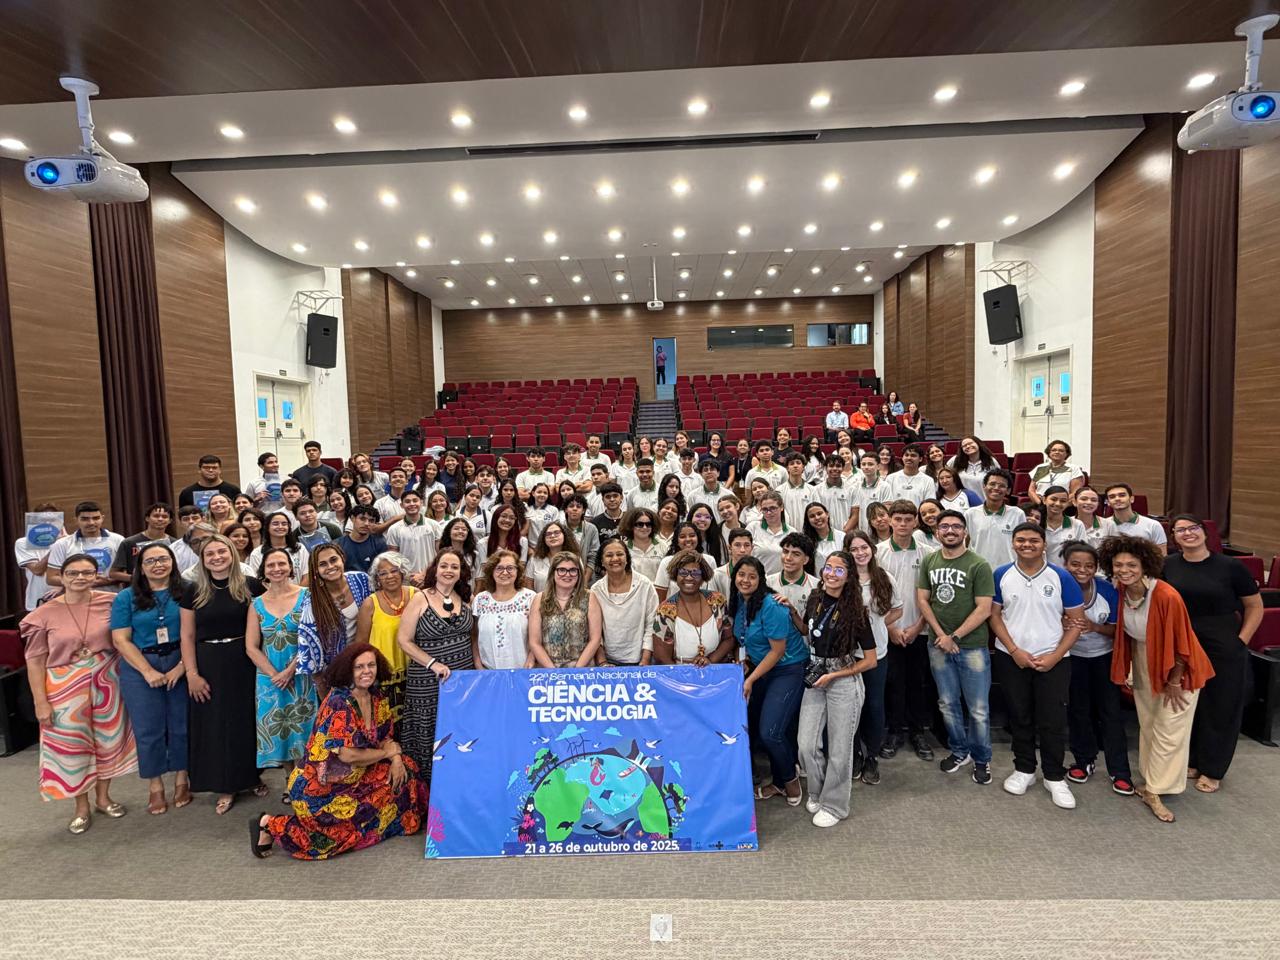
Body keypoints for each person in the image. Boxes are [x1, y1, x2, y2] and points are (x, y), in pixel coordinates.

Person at [250, 642, 426, 860]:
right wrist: (387, 754)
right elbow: (347, 755)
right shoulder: (338, 702)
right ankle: (269, 824)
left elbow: (387, 738)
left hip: (358, 775)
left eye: (371, 665)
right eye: (359, 667)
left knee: (407, 768)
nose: (367, 671)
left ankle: (384, 822)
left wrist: (397, 758)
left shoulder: (377, 697)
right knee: (328, 840)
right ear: (348, 671)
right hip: (321, 786)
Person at [1100, 535, 1215, 822]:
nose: (1125, 570)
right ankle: (1151, 777)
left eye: (1131, 565)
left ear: (1145, 565)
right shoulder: (1123, 592)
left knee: (1169, 728)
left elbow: (1182, 644)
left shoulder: (1165, 595)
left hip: (1178, 667)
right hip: (1144, 660)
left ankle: (1155, 789)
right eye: (1118, 565)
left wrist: (1175, 681)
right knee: (1149, 724)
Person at [22, 552, 138, 833]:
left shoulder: (111, 602)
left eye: (87, 573)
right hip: (63, 685)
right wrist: (40, 701)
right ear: (61, 577)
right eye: (73, 573)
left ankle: (103, 797)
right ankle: (81, 806)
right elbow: (35, 660)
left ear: (96, 575)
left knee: (108, 741)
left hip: (108, 679)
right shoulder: (42, 614)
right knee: (72, 746)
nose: (80, 578)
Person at [988, 523, 1085, 809]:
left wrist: (1055, 656)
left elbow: (1076, 623)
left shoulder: (1062, 577)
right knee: (1019, 715)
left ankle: (1055, 776)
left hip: (1053, 659)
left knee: (1052, 719)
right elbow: (994, 617)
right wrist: (1015, 650)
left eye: (1033, 540)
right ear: (1013, 543)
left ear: (1044, 545)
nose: (1026, 545)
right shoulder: (1001, 574)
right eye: (1020, 540)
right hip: (1011, 656)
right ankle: (1025, 769)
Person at [1164, 515, 1263, 793]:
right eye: (1180, 530)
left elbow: (1254, 606)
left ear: (1205, 532)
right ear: (1174, 537)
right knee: (1189, 702)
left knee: (1221, 705)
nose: (1187, 534)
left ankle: (1213, 768)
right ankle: (1193, 760)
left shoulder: (1231, 567)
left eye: (1193, 528)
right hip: (1183, 641)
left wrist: (1241, 641)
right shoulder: (1168, 565)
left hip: (1223, 642)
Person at [179, 534, 267, 815]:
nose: (216, 557)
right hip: (208, 662)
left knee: (246, 720)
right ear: (202, 561)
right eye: (210, 554)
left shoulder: (250, 586)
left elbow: (268, 618)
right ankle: (225, 785)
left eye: (222, 552)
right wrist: (191, 673)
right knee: (216, 723)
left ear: (232, 554)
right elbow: (187, 635)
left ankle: (250, 777)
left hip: (244, 658)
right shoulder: (192, 590)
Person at [796, 550, 878, 825]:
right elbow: (810, 633)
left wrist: (836, 675)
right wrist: (788, 609)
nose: (831, 574)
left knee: (840, 749)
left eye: (838, 570)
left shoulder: (856, 610)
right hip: (815, 674)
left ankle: (835, 805)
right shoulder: (816, 598)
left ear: (849, 576)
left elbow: (870, 660)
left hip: (843, 678)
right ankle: (817, 792)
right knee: (805, 744)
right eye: (827, 568)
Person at [916, 510, 996, 785]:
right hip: (938, 644)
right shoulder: (929, 560)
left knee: (978, 708)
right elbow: (924, 601)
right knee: (947, 703)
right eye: (945, 526)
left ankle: (982, 758)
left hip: (971, 646)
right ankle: (960, 751)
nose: (950, 531)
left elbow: (984, 609)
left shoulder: (979, 564)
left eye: (956, 526)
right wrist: (941, 635)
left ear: (965, 532)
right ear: (937, 532)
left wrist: (955, 637)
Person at [110, 542, 190, 815]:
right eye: (151, 561)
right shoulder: (126, 597)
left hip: (181, 660)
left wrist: (183, 667)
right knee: (148, 729)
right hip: (140, 665)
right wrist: (147, 670)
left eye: (163, 559)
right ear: (141, 568)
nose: (158, 564)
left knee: (182, 724)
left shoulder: (187, 591)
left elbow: (196, 633)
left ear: (172, 561)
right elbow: (120, 639)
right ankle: (155, 786)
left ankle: (182, 779)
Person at [730, 556, 807, 806]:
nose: (746, 580)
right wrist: (743, 661)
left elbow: (777, 651)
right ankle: (777, 781)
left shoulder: (770, 605)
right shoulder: (741, 603)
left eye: (752, 576)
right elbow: (743, 638)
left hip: (788, 668)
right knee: (758, 728)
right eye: (741, 575)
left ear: (761, 580)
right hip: (763, 669)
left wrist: (750, 679)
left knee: (770, 731)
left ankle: (790, 781)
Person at [1060, 542, 1133, 795]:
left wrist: (1093, 627)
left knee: (1110, 713)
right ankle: (1083, 760)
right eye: (1075, 564)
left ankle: (1120, 771)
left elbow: (1116, 629)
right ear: (1065, 565)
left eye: (1089, 565)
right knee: (1079, 711)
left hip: (1104, 658)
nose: (1083, 570)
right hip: (1072, 658)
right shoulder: (1056, 585)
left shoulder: (1107, 590)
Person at [397, 549, 476, 783]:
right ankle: (427, 792)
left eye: (454, 567)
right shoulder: (421, 598)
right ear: (435, 569)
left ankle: (455, 786)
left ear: (461, 572)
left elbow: (472, 638)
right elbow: (404, 640)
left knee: (459, 733)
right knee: (429, 733)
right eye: (444, 566)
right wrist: (433, 664)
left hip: (462, 680)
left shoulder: (465, 598)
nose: (449, 571)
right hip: (428, 681)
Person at [244, 547, 316, 783]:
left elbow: (312, 636)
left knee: (305, 728)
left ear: (291, 568)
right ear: (264, 570)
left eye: (281, 564)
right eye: (271, 565)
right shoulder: (256, 604)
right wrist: (275, 674)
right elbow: (251, 646)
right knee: (279, 732)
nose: (276, 569)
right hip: (269, 678)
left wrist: (289, 671)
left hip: (302, 673)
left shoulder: (307, 596)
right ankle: (290, 779)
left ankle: (307, 781)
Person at [876, 501, 938, 762]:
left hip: (918, 630)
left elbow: (932, 596)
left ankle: (917, 731)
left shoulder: (928, 553)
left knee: (917, 683)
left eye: (907, 519)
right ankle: (894, 731)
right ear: (889, 521)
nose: (902, 524)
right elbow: (875, 595)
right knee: (893, 684)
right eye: (897, 519)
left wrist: (917, 626)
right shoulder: (878, 552)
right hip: (888, 631)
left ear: (916, 522)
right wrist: (890, 627)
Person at [846, 531, 901, 785]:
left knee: (874, 706)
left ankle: (872, 756)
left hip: (876, 653)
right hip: (847, 655)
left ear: (872, 549)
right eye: (854, 549)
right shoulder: (844, 578)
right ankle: (855, 754)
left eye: (863, 547)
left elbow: (897, 609)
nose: (860, 553)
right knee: (850, 707)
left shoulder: (884, 578)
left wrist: (876, 623)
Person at [352, 551, 417, 724]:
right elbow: (360, 644)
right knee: (385, 723)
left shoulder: (416, 595)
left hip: (414, 671)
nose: (389, 576)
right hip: (383, 676)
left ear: (402, 572)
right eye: (383, 573)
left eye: (394, 570)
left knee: (412, 721)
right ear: (377, 579)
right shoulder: (370, 603)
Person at [297, 543, 374, 683]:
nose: (330, 567)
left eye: (333, 560)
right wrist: (321, 686)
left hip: (369, 663)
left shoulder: (361, 580)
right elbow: (309, 647)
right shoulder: (312, 602)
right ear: (316, 570)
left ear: (342, 558)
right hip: (336, 672)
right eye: (323, 564)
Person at [650, 550, 732, 666]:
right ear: (675, 576)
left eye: (695, 573)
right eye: (683, 573)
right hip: (679, 676)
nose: (689, 577)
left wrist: (710, 660)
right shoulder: (665, 610)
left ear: (703, 577)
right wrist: (684, 675)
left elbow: (729, 639)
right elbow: (660, 655)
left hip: (714, 669)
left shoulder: (717, 601)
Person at [588, 539, 658, 666]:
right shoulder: (596, 590)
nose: (615, 558)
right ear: (602, 562)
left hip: (641, 661)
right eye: (609, 555)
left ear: (627, 558)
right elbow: (594, 631)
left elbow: (651, 625)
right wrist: (603, 662)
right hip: (607, 662)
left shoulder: (645, 585)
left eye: (620, 554)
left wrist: (645, 661)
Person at [473, 550, 537, 669]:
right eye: (499, 568)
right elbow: (474, 636)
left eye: (510, 568)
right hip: (488, 672)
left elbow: (538, 635)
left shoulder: (530, 598)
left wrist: (531, 659)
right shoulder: (480, 599)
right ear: (491, 572)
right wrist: (478, 664)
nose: (505, 572)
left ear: (518, 571)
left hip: (523, 670)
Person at [528, 552, 593, 668]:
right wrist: (554, 672)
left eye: (573, 570)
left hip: (582, 669)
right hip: (548, 669)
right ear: (553, 573)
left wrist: (576, 671)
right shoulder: (539, 599)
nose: (567, 574)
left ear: (579, 574)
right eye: (561, 570)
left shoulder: (590, 597)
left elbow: (595, 639)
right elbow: (534, 642)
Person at [45, 501, 124, 589]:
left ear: (102, 518)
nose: (91, 523)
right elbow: (51, 578)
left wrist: (110, 581)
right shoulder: (62, 544)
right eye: (85, 519)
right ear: (76, 520)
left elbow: (128, 573)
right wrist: (83, 582)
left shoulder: (118, 540)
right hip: (77, 600)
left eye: (96, 518)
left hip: (112, 598)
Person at [964, 469, 1026, 569]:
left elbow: (1023, 544)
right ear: (984, 486)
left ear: (1008, 490)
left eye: (1001, 486)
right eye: (992, 484)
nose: (996, 488)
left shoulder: (1018, 514)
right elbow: (964, 544)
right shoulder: (970, 514)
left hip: (1009, 571)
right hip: (978, 570)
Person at [108, 502, 175, 582]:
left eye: (164, 517)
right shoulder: (129, 542)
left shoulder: (175, 543)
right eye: (156, 516)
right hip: (138, 590)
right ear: (147, 518)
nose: (160, 519)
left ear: (170, 520)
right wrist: (136, 578)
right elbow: (113, 573)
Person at [247, 511, 309, 584]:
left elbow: (307, 575)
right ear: (267, 527)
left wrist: (298, 594)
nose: (280, 527)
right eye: (275, 524)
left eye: (284, 524)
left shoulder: (300, 548)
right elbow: (258, 581)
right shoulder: (257, 553)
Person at [1105, 483, 1167, 553]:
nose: (1117, 499)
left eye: (1122, 495)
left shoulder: (1153, 525)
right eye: (1112, 497)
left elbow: (1162, 556)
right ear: (1108, 502)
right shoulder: (1103, 525)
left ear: (1132, 499)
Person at [767, 532, 818, 609]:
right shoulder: (767, 583)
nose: (788, 558)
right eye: (785, 552)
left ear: (806, 560)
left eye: (796, 554)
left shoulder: (816, 586)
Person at [336, 505, 389, 575]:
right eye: (362, 519)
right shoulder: (338, 545)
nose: (367, 523)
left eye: (371, 520)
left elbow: (383, 570)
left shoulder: (379, 543)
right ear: (352, 518)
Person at [178, 454, 242, 510]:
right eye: (206, 468)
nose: (210, 470)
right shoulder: (187, 493)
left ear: (220, 470)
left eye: (214, 468)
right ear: (199, 470)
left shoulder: (233, 490)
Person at [1041, 486, 1087, 564]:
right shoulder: (1036, 523)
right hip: (1041, 572)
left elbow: (1082, 552)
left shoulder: (1077, 524)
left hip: (1067, 572)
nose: (1058, 504)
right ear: (1044, 500)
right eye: (1053, 499)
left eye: (1063, 501)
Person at [850, 452, 893, 533]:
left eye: (870, 464)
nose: (866, 467)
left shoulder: (885, 486)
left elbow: (886, 511)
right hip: (862, 531)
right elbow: (855, 513)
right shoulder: (855, 486)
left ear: (878, 466)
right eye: (863, 464)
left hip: (879, 531)